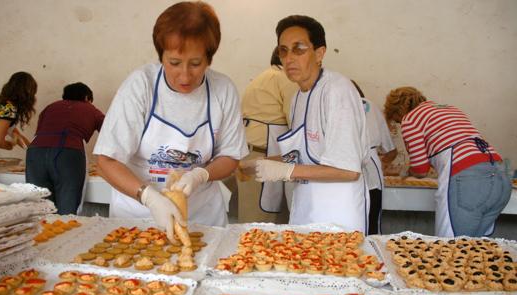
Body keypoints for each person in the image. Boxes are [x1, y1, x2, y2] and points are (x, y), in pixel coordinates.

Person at [93, 1, 248, 242]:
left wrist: (200, 175)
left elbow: (231, 156)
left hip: (202, 217)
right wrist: (149, 197)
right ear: (161, 55)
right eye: (174, 63)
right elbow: (105, 161)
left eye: (196, 64)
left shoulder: (222, 90)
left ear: (210, 58)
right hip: (138, 215)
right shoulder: (141, 85)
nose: (184, 75)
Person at [247, 15, 370, 231]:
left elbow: (348, 170)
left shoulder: (336, 91)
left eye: (299, 49)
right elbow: (304, 153)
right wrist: (261, 163)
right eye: (283, 51)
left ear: (319, 53)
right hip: (306, 206)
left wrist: (285, 171)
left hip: (338, 213)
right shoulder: (298, 97)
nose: (289, 58)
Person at [384, 86, 511, 237]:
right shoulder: (450, 109)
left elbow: (420, 169)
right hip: (501, 176)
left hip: (469, 181)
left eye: (397, 121)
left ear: (398, 112)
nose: (400, 124)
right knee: (478, 250)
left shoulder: (410, 118)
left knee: (452, 247)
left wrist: (406, 171)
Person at [238, 47, 298, 224]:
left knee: (254, 220)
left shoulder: (266, 76)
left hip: (250, 152)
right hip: (264, 156)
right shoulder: (285, 79)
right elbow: (298, 122)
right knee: (260, 224)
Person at [26, 82, 105, 215]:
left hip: (35, 152)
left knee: (40, 204)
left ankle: (41, 234)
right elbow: (110, 132)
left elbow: (40, 131)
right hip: (67, 153)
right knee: (67, 203)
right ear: (86, 97)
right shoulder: (90, 109)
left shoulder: (50, 107)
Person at [352, 80, 396, 235]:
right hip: (371, 166)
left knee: (349, 221)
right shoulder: (371, 106)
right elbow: (391, 150)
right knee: (372, 222)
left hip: (343, 166)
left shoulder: (335, 106)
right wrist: (384, 163)